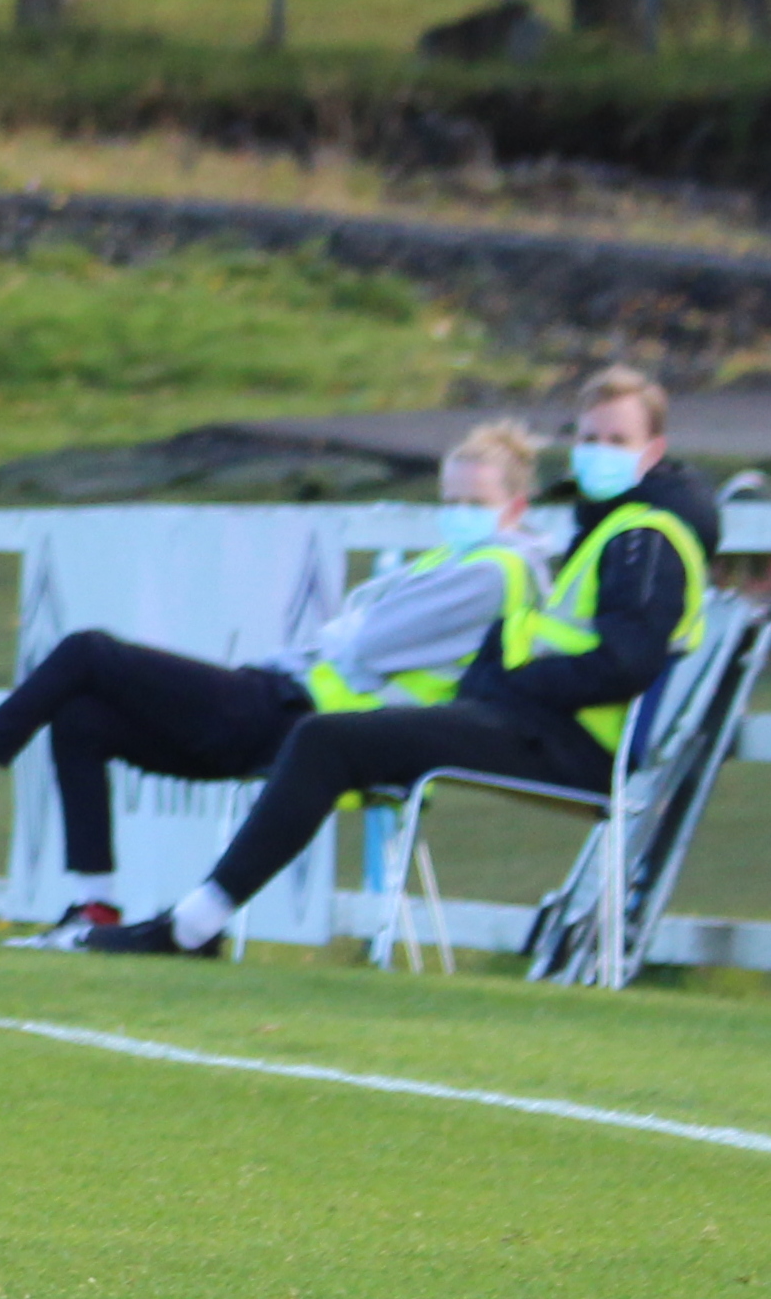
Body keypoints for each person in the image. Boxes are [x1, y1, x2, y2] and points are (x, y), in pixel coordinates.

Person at [0, 422, 554, 947]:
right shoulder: (453, 563)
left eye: (473, 502)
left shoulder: (495, 570)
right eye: (449, 500)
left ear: (514, 507)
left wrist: (341, 634)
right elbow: (355, 632)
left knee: (87, 651)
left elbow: (363, 639)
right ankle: (92, 910)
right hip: (286, 704)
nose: (456, 514)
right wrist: (341, 634)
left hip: (304, 718)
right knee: (81, 716)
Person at [88, 369, 717, 956]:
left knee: (323, 740)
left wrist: (515, 682)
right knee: (325, 740)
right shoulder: (618, 526)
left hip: (571, 745)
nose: (598, 452)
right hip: (539, 727)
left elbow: (624, 666)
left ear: (653, 450)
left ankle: (191, 927)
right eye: (588, 438)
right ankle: (193, 924)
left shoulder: (643, 538)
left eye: (617, 440)